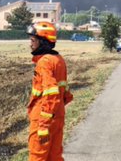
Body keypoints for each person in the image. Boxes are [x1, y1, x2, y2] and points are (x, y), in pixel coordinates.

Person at [27, 22, 73, 161]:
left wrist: (43, 125)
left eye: (33, 40)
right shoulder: (58, 59)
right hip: (57, 116)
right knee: (55, 157)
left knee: (38, 157)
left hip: (43, 118)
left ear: (43, 42)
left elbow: (51, 93)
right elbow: (65, 93)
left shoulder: (44, 62)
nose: (30, 44)